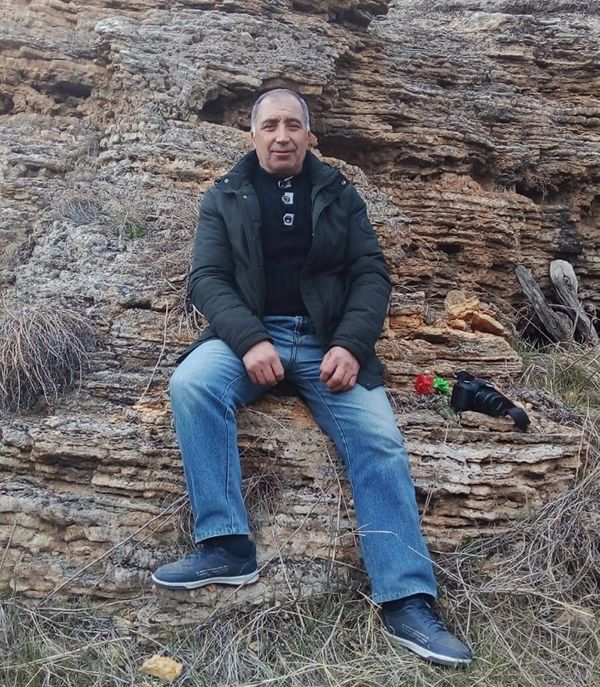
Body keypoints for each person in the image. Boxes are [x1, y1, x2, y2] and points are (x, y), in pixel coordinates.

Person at [152, 89, 472, 667]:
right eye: (271, 125)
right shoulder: (223, 195)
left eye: (293, 125)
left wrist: (351, 344)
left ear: (308, 134)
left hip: (327, 339)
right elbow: (207, 278)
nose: (282, 136)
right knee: (192, 384)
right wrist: (250, 340)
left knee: (379, 441)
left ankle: (406, 599)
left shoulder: (338, 192)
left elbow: (370, 273)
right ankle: (226, 544)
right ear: (253, 134)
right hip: (250, 334)